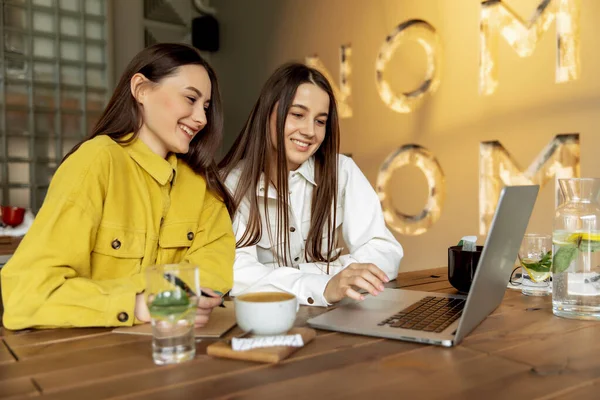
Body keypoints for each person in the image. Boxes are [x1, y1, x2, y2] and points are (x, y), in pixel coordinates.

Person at [1, 43, 235, 329]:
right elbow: (26, 294)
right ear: (141, 90)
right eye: (190, 99)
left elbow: (214, 275)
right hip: (87, 358)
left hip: (177, 351)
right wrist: (138, 302)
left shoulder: (202, 185)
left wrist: (160, 297)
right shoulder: (96, 161)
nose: (201, 118)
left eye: (206, 107)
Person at [220, 63, 403, 307]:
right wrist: (325, 282)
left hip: (336, 316)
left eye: (320, 121)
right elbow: (238, 274)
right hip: (265, 320)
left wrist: (340, 278)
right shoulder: (231, 184)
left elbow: (384, 251)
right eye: (297, 115)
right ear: (267, 114)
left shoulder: (341, 171)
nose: (309, 131)